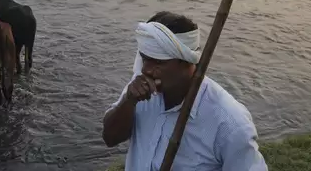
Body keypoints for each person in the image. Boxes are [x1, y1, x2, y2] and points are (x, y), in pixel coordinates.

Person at [102, 11, 268, 171]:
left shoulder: (229, 123)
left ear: (188, 62)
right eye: (144, 59)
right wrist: (128, 101)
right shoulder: (139, 89)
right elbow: (110, 138)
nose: (146, 70)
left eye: (158, 62)